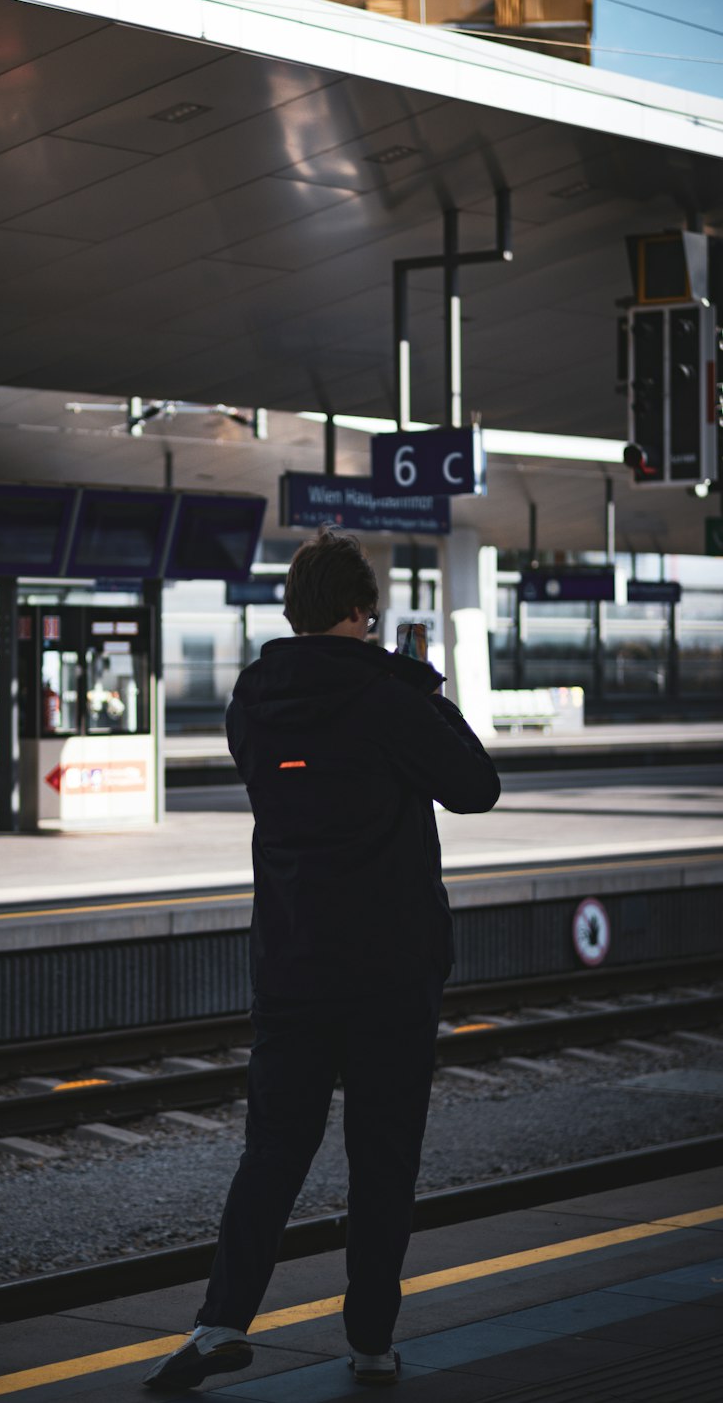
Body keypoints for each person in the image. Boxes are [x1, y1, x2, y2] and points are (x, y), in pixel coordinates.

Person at [144, 528, 501, 1391]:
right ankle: (371, 1343)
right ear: (360, 611)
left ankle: (219, 1323)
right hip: (387, 974)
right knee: (381, 1162)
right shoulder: (389, 697)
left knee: (272, 1151)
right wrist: (421, 681)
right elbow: (476, 787)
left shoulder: (252, 701)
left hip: (292, 964)